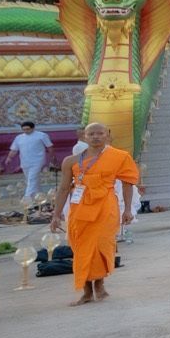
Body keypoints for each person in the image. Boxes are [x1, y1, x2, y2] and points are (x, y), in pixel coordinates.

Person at [49, 123, 138, 305]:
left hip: (106, 207)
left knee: (100, 245)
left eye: (100, 133)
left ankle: (99, 285)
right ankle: (87, 291)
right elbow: (64, 188)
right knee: (81, 248)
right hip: (79, 209)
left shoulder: (119, 156)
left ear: (107, 135)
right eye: (91, 134)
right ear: (84, 136)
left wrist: (128, 209)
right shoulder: (71, 161)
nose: (96, 137)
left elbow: (128, 183)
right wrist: (56, 215)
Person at [9, 121, 53, 205]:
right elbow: (14, 149)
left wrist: (52, 157)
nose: (26, 131)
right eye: (24, 129)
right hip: (25, 162)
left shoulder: (41, 135)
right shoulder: (19, 138)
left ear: (33, 128)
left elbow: (49, 146)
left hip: (37, 161)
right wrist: (9, 158)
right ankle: (39, 197)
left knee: (32, 180)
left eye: (28, 129)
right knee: (32, 180)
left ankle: (27, 200)